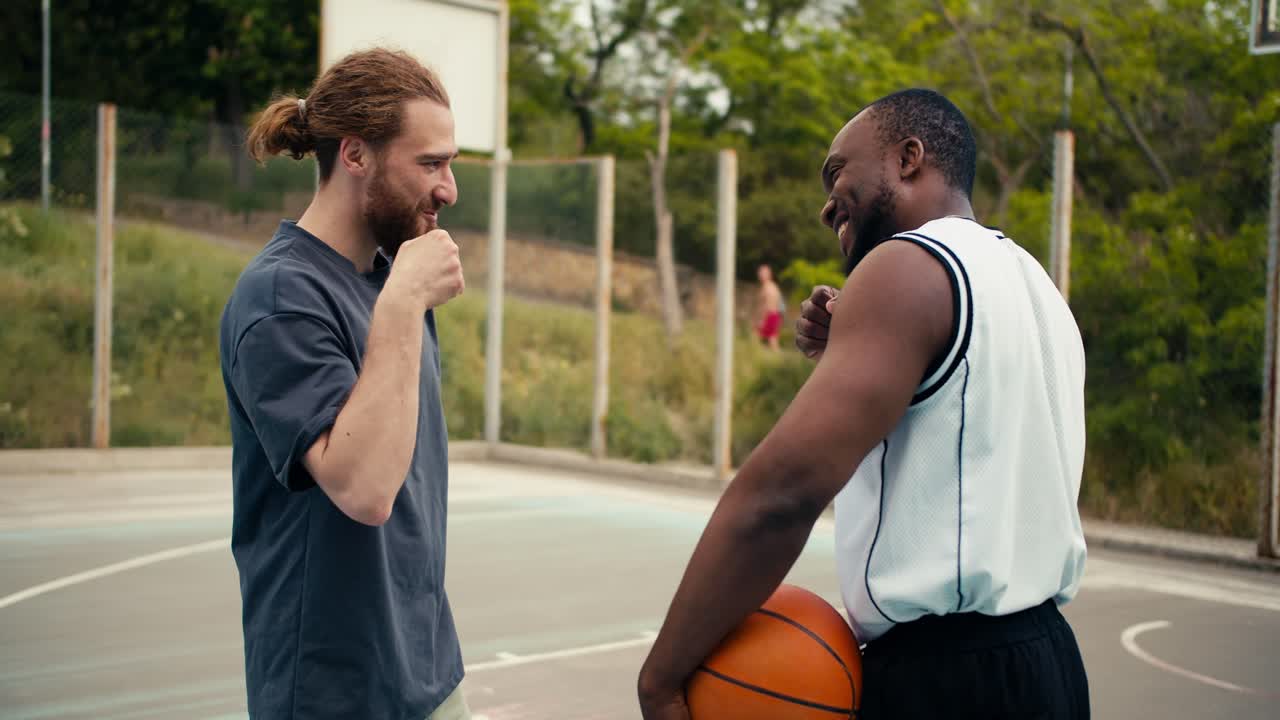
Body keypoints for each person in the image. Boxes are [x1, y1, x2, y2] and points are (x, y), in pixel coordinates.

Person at [638, 88, 1089, 719]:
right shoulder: (1035, 284)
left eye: (837, 173)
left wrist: (662, 678)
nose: (826, 206)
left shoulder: (908, 265)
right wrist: (851, 355)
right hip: (1049, 667)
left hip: (947, 681)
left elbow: (783, 494)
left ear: (908, 158)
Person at [218, 48, 472, 719]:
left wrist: (400, 296)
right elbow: (364, 490)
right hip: (331, 694)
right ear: (355, 154)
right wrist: (402, 303)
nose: (449, 189)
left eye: (449, 164)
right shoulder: (279, 297)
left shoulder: (391, 279)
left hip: (428, 673)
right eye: (430, 164)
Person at [755, 264, 784, 351]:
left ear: (769, 274)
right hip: (774, 315)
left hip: (770, 315)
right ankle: (774, 356)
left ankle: (758, 354)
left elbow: (768, 305)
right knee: (772, 339)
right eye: (760, 272)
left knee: (757, 337)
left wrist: (762, 319)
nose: (760, 275)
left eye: (763, 273)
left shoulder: (768, 287)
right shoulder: (771, 286)